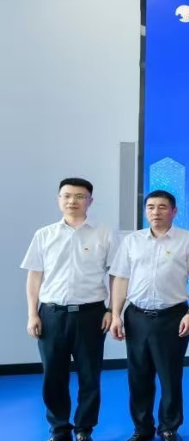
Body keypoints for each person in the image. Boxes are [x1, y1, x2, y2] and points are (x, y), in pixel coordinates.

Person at [22, 177, 116, 441]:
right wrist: (32, 313)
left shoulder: (104, 233)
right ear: (58, 200)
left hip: (91, 314)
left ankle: (84, 428)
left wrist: (112, 309)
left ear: (90, 201)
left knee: (90, 376)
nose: (72, 201)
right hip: (51, 315)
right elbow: (34, 277)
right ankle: (59, 428)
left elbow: (116, 274)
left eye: (79, 196)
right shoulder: (44, 234)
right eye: (67, 196)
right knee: (53, 376)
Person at [108, 190, 189, 441]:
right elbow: (120, 278)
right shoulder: (132, 241)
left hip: (173, 316)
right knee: (138, 375)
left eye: (162, 207)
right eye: (150, 207)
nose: (155, 212)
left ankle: (169, 427)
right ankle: (142, 428)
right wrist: (115, 314)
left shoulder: (188, 240)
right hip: (136, 316)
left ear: (174, 211)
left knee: (170, 375)